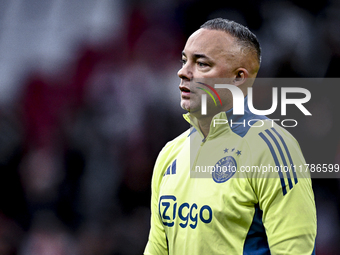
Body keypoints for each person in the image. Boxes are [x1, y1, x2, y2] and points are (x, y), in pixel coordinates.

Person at [144, 18, 316, 255]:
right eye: (184, 60)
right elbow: (156, 249)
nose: (183, 72)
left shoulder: (273, 148)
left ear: (238, 78)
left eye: (201, 64)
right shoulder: (170, 154)